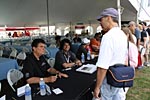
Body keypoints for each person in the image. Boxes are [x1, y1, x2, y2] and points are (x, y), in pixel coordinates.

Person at [93, 8, 128, 100]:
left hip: (109, 80)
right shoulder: (122, 35)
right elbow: (125, 58)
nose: (100, 23)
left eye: (101, 19)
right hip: (120, 77)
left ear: (108, 18)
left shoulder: (108, 37)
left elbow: (103, 66)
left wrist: (97, 87)